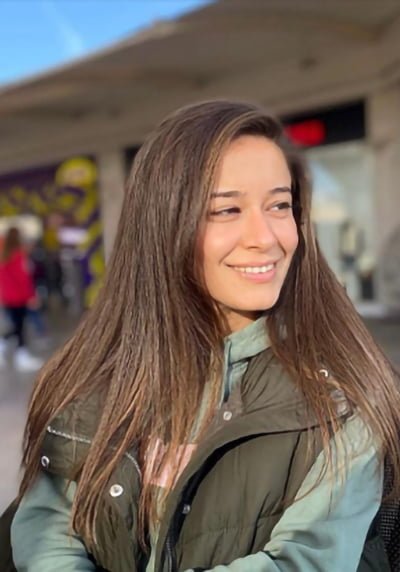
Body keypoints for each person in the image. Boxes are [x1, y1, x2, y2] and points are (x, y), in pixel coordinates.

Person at [2, 100, 400, 571]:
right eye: (226, 209)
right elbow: (50, 530)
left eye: (280, 205)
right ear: (163, 224)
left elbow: (303, 561)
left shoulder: (343, 394)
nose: (266, 237)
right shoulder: (94, 377)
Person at [0, 227, 44, 372]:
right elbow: (23, 278)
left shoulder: (4, 255)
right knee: (20, 326)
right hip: (19, 297)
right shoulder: (18, 255)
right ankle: (21, 355)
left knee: (16, 325)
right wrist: (31, 296)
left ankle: (8, 347)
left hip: (8, 297)